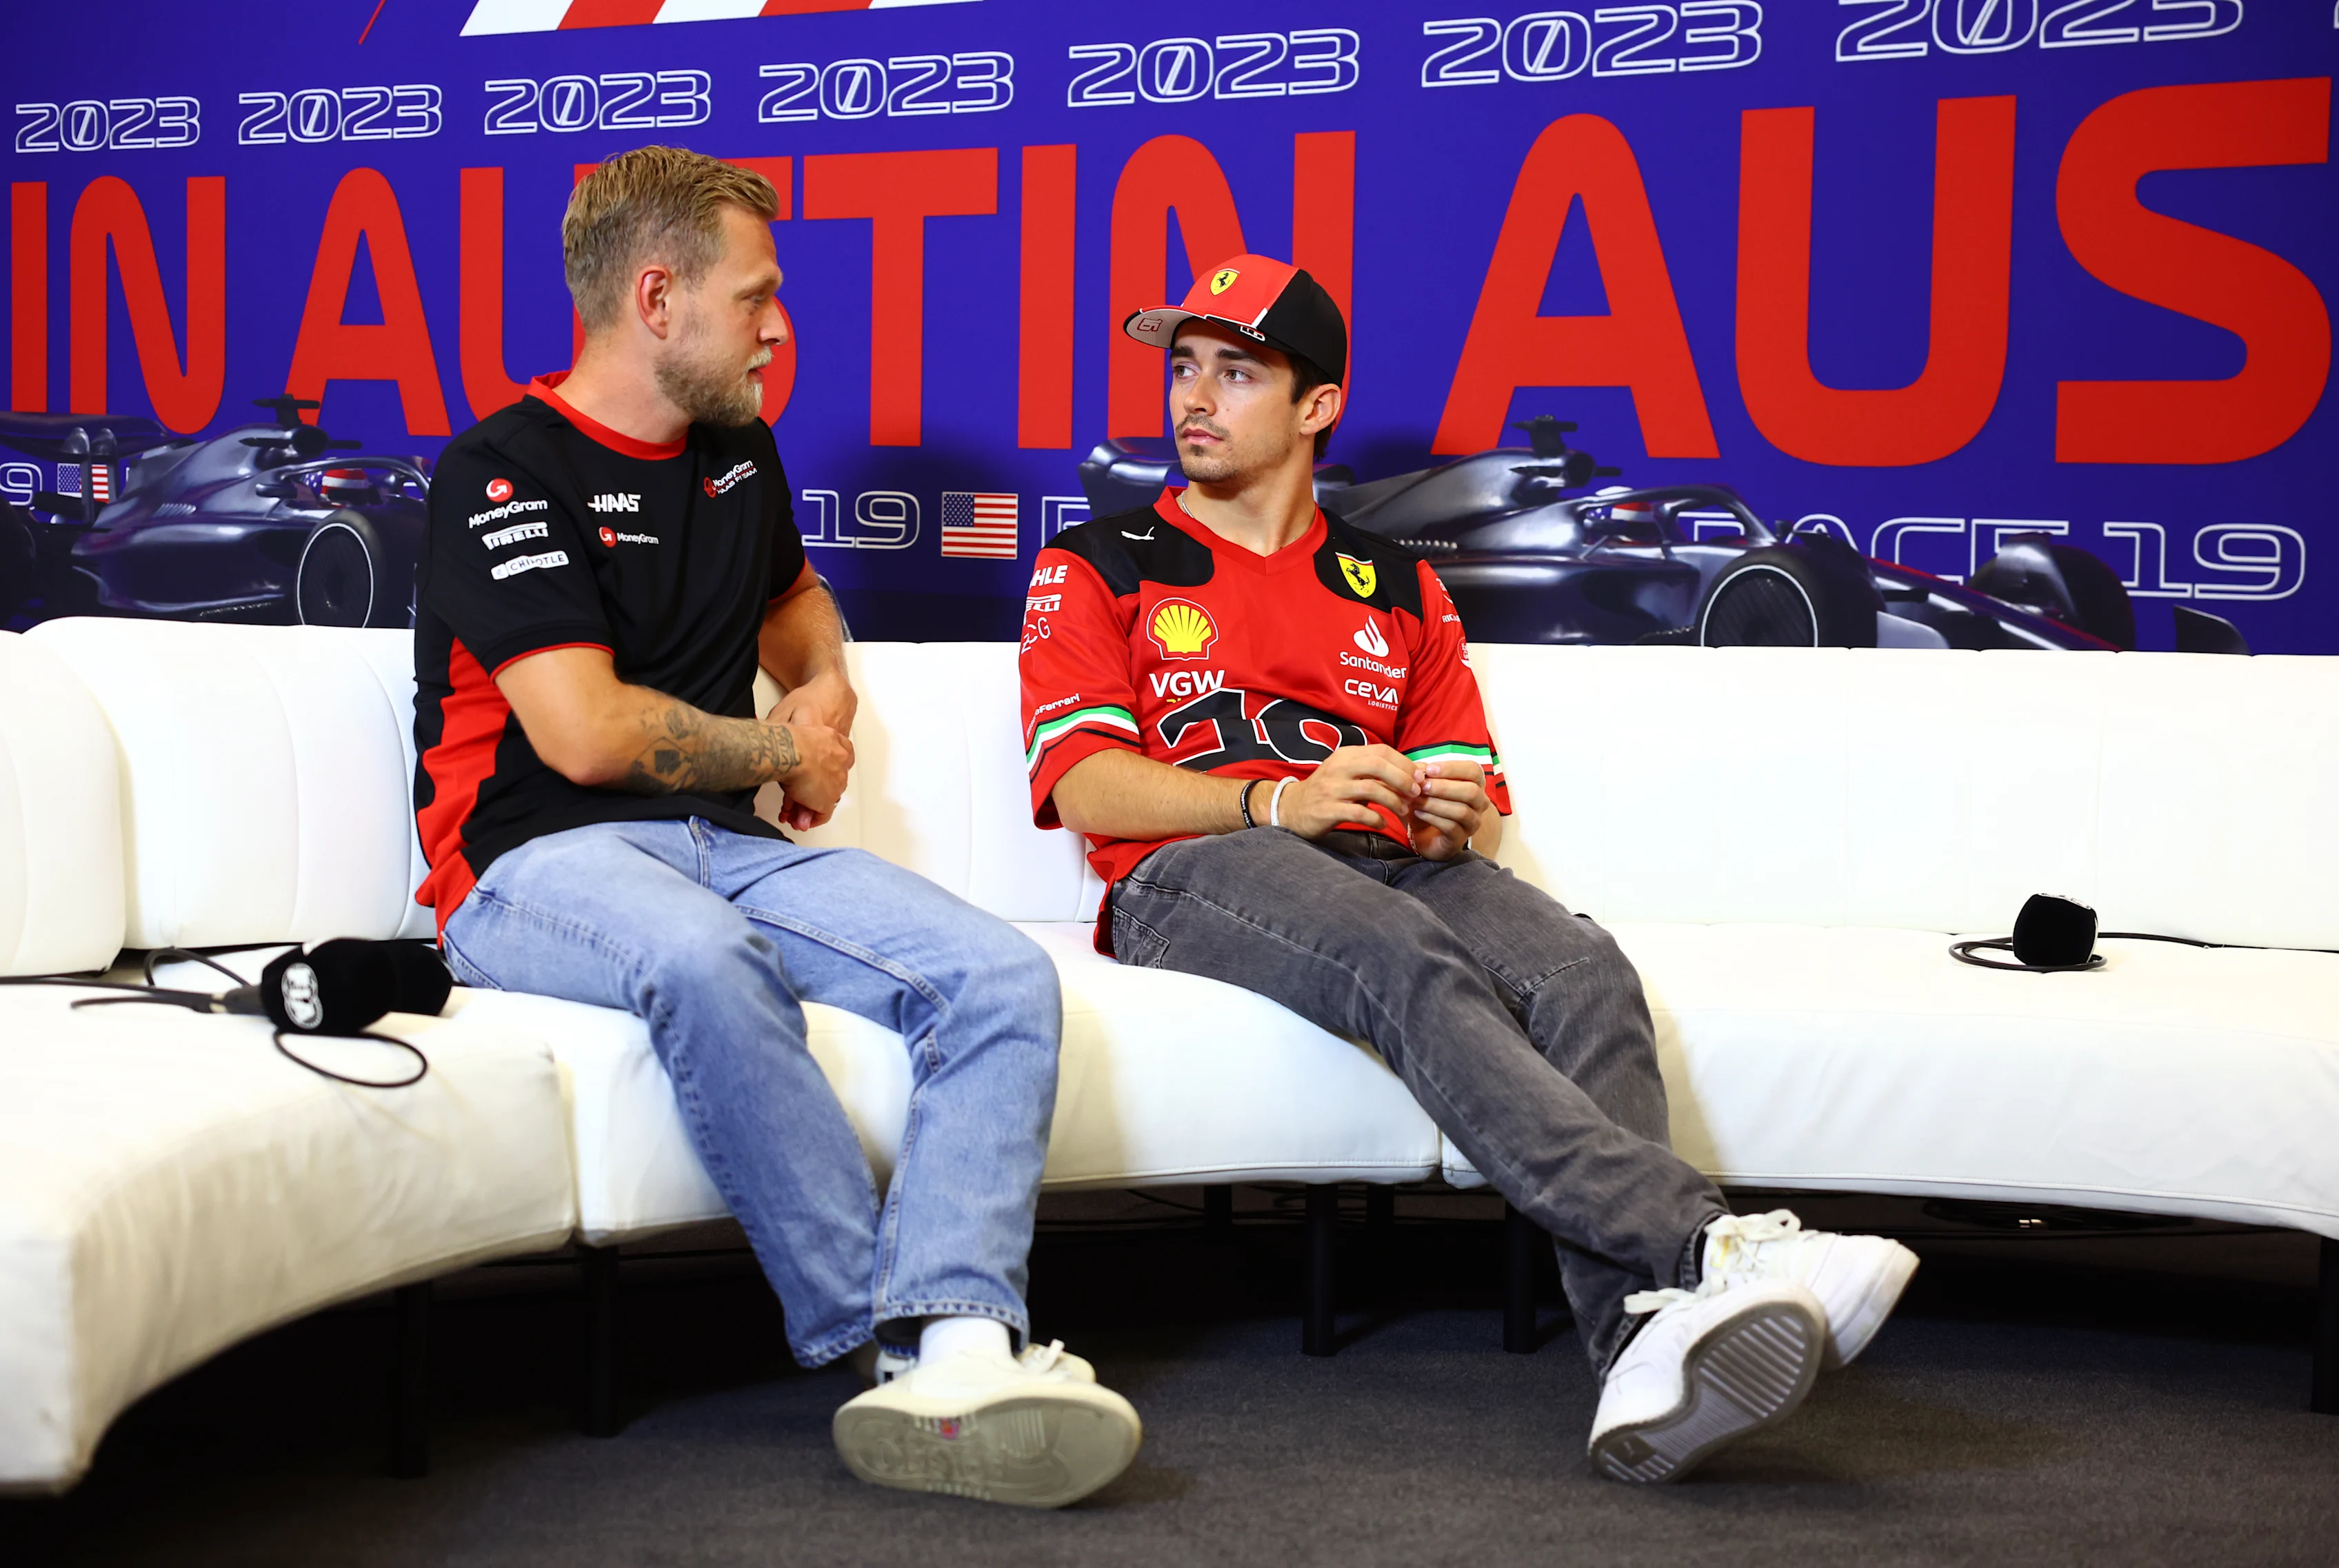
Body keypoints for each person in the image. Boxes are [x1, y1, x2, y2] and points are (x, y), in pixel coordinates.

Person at [1018, 254, 1918, 1483]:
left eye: (1237, 371)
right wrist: (1278, 799)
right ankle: (1706, 1248)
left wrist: (1449, 816)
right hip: (1195, 866)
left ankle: (1641, 1359)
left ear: (1318, 406)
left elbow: (1473, 798)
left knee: (1586, 971)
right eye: (1184, 368)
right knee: (1398, 950)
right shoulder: (1099, 559)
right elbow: (1083, 782)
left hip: (1394, 861)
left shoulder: (1398, 584)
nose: (1194, 396)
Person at [411, 146, 1140, 1509]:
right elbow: (583, 734)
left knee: (998, 978)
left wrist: (824, 683)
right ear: (657, 299)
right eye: (754, 295)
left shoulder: (737, 451)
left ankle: (960, 1343)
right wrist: (778, 750)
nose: (780, 326)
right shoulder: (501, 471)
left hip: (727, 849)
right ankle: (889, 1349)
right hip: (530, 866)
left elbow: (792, 598)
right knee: (702, 957)